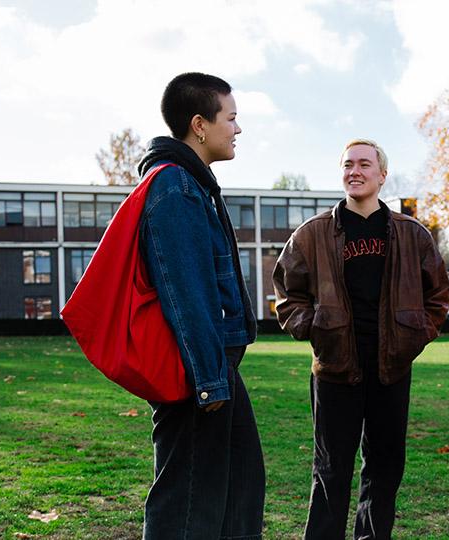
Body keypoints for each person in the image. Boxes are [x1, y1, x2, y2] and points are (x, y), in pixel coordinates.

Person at [272, 139, 449, 539]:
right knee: (331, 469)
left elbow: (437, 295)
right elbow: (287, 292)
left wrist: (415, 337)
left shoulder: (411, 234)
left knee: (384, 467)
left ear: (382, 175)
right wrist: (315, 331)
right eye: (348, 164)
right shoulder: (313, 234)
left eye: (364, 164)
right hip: (335, 367)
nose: (355, 171)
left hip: (391, 367)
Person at [137, 73, 265, 539]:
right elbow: (186, 293)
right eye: (230, 118)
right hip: (197, 374)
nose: (237, 129)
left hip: (214, 365)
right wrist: (209, 383)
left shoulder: (192, 185)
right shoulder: (176, 189)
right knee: (187, 506)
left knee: (238, 491)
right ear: (199, 124)